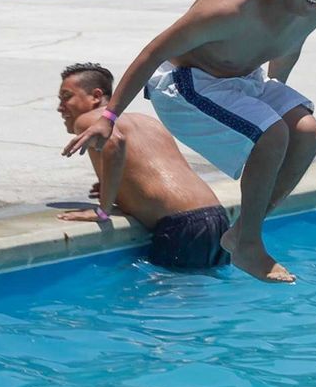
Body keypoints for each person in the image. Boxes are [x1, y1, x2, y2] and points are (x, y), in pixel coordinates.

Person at [64, 0, 316, 283]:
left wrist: (275, 99)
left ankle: (243, 233)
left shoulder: (308, 14)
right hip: (187, 84)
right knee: (271, 135)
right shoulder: (228, 9)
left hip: (243, 81)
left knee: (306, 132)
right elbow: (152, 52)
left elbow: (286, 50)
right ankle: (249, 242)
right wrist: (109, 116)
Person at [57, 63, 231, 270]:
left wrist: (103, 210)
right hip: (217, 217)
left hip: (181, 225)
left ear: (95, 96)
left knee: (170, 297)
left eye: (66, 97)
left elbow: (114, 143)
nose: (60, 107)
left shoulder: (89, 121)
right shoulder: (145, 121)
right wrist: (117, 189)